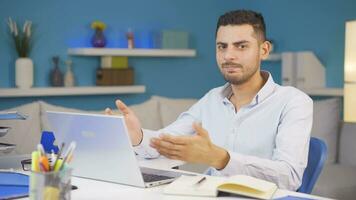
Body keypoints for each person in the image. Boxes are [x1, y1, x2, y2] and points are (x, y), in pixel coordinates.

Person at [105, 10, 313, 191]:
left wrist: (221, 158)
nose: (228, 55)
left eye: (241, 46)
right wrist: (137, 137)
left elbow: (289, 177)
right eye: (222, 47)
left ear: (264, 50)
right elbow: (168, 142)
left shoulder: (294, 102)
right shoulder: (212, 99)